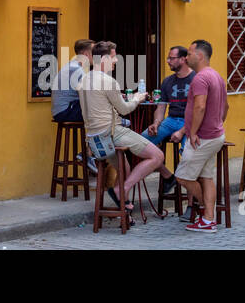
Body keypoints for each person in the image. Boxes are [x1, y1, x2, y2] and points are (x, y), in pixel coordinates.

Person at [78, 41, 163, 215]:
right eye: (113, 57)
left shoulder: (84, 79)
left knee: (125, 168)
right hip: (112, 133)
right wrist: (137, 99)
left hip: (94, 137)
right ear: (103, 58)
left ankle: (123, 205)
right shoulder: (109, 81)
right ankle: (120, 191)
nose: (116, 60)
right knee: (157, 156)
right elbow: (125, 109)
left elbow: (99, 102)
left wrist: (118, 98)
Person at [173, 39, 228, 232]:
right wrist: (218, 124)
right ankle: (208, 220)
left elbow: (200, 106)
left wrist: (193, 132)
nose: (186, 57)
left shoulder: (200, 78)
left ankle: (205, 210)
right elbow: (225, 106)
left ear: (200, 55)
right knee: (206, 177)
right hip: (214, 135)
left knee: (182, 177)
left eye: (189, 53)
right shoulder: (216, 76)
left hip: (202, 138)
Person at [146, 45, 195, 195]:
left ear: (183, 59)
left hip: (191, 122)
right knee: (140, 143)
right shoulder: (167, 81)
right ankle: (168, 176)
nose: (168, 61)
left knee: (188, 155)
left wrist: (182, 131)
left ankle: (192, 202)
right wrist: (156, 123)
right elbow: (161, 107)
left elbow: (198, 112)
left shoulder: (196, 79)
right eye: (168, 58)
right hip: (171, 120)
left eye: (171, 58)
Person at [50, 38, 92, 124]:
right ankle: (115, 127)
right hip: (65, 112)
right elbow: (89, 93)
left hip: (62, 110)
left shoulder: (72, 65)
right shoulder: (76, 69)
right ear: (86, 54)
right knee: (98, 109)